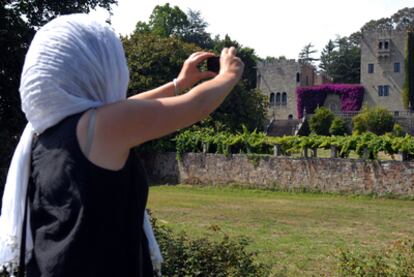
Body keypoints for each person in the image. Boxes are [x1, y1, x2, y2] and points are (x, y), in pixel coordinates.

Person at [0, 13, 244, 277]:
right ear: (96, 67)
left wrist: (177, 84)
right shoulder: (100, 127)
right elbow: (195, 105)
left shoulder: (44, 133)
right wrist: (228, 75)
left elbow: (126, 109)